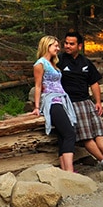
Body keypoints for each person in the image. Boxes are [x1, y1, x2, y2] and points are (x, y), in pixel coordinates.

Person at [58, 31, 103, 170]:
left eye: (71, 44)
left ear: (79, 46)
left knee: (99, 131)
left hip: (87, 102)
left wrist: (98, 102)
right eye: (66, 43)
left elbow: (94, 83)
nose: (67, 46)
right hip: (72, 103)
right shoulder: (59, 60)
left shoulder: (85, 62)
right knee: (86, 136)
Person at [32, 35, 77, 172]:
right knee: (70, 134)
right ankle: (70, 171)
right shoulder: (40, 64)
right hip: (52, 101)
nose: (58, 48)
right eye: (55, 46)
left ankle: (65, 170)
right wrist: (37, 107)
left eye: (58, 46)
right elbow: (38, 86)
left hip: (62, 99)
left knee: (63, 135)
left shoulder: (53, 63)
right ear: (47, 46)